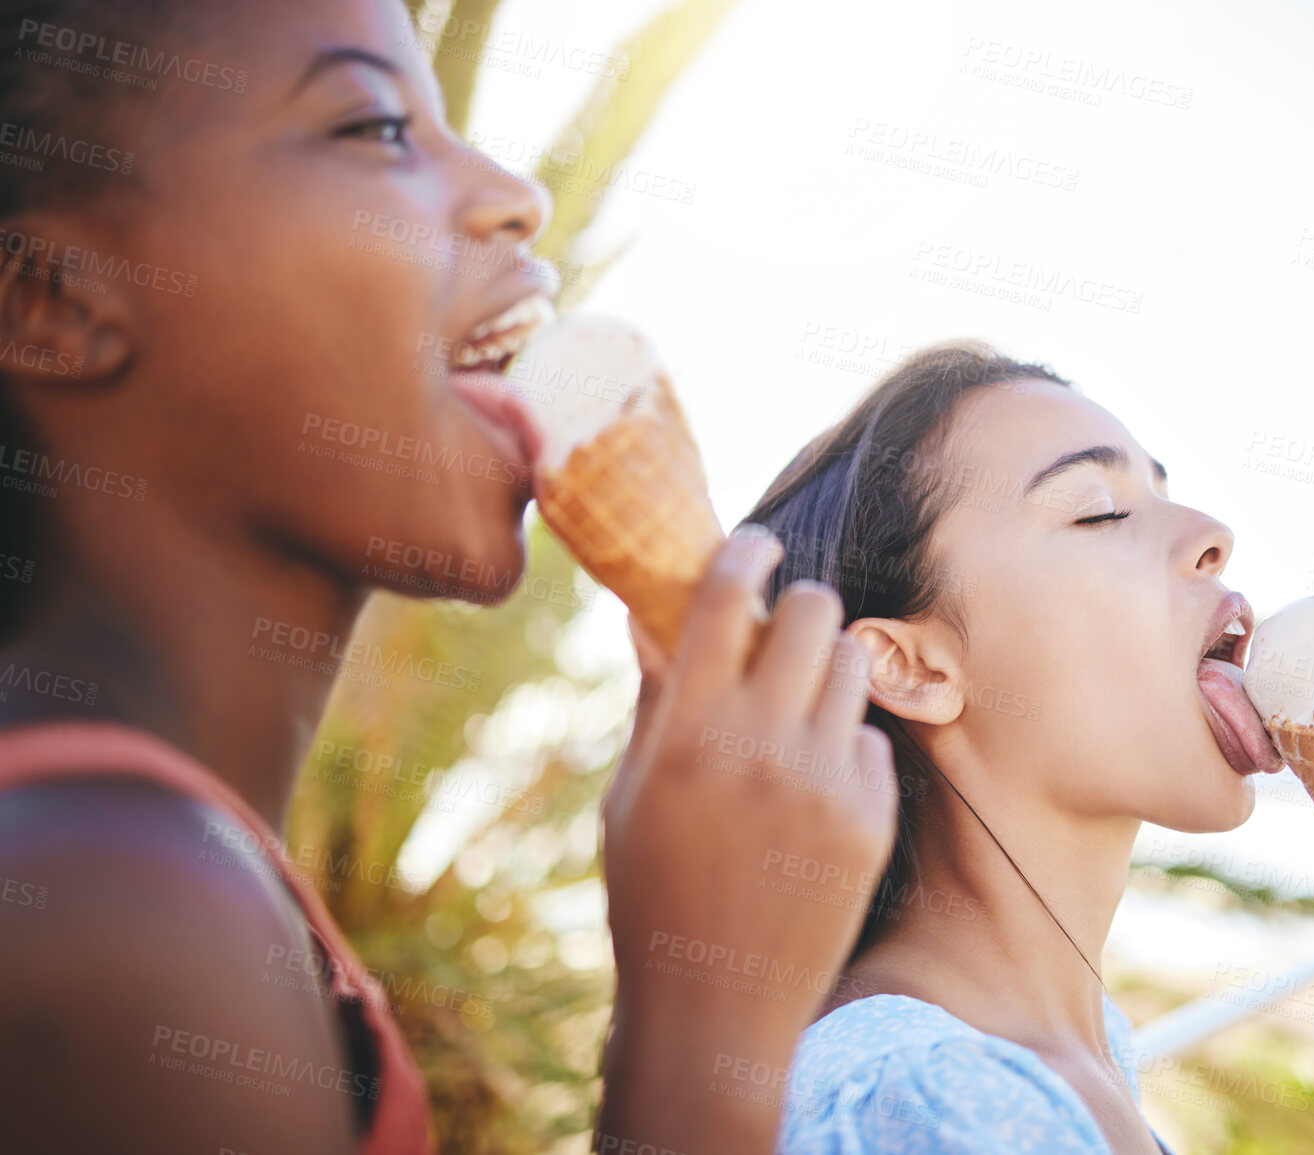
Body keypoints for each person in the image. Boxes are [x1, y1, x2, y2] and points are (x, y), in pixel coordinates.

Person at [0, 1, 892, 1152]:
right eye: (374, 127)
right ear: (50, 297)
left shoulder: (147, 861)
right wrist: (704, 1024)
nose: (515, 193)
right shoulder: (124, 902)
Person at [740, 345, 1314, 1154]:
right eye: (1099, 511)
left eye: (1163, 494)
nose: (1211, 530)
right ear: (912, 665)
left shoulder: (1079, 1049)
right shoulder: (928, 1101)